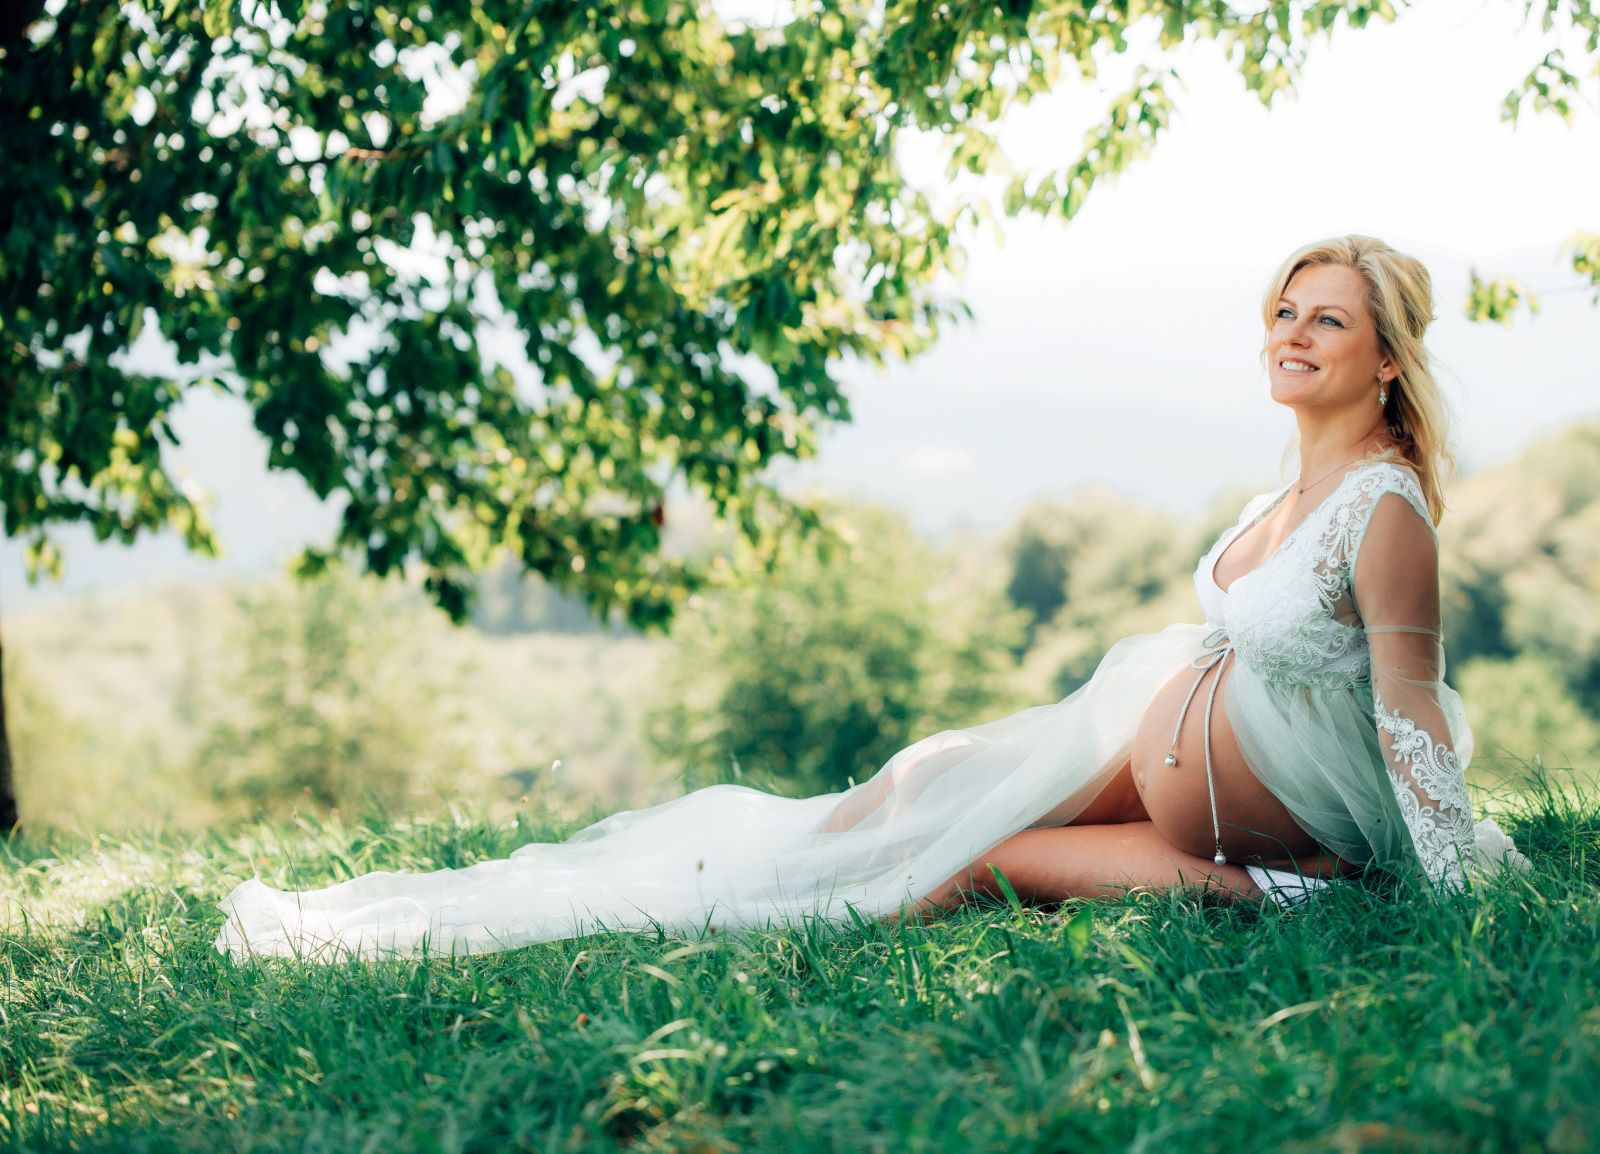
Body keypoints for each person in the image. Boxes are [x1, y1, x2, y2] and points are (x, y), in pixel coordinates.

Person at [214, 234, 1531, 963]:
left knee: (976, 863)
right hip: (1152, 748)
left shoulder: (1384, 506)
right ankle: (764, 865)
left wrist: (1457, 885)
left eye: (1328, 322)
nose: (1291, 335)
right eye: (1283, 311)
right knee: (912, 784)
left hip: (1283, 862)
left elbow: (1410, 712)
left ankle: (767, 926)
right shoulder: (1282, 496)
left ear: (1387, 358)